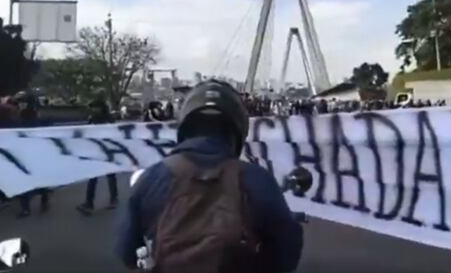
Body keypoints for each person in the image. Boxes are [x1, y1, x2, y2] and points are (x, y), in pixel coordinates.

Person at [114, 80, 303, 272]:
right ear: (237, 129)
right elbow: (286, 250)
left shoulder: (151, 178)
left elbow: (126, 250)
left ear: (185, 125)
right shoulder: (257, 180)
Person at [77, 99, 118, 215]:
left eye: (96, 107)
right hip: (95, 150)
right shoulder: (92, 118)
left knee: (110, 175)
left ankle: (114, 199)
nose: (94, 110)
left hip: (107, 149)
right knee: (93, 176)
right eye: (93, 108)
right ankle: (89, 202)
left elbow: (113, 133)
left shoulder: (108, 118)